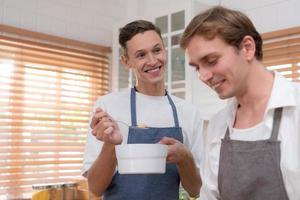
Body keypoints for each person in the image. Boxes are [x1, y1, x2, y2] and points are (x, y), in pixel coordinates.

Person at [180, 5, 300, 200]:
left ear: (247, 48)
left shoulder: (296, 109)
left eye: (211, 60)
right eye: (197, 68)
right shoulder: (219, 124)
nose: (203, 76)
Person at [82, 20, 204, 200]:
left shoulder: (188, 112)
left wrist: (185, 158)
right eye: (141, 55)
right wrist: (111, 145)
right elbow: (95, 187)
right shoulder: (108, 107)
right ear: (126, 61)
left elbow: (195, 190)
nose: (153, 61)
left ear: (165, 50)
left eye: (157, 50)